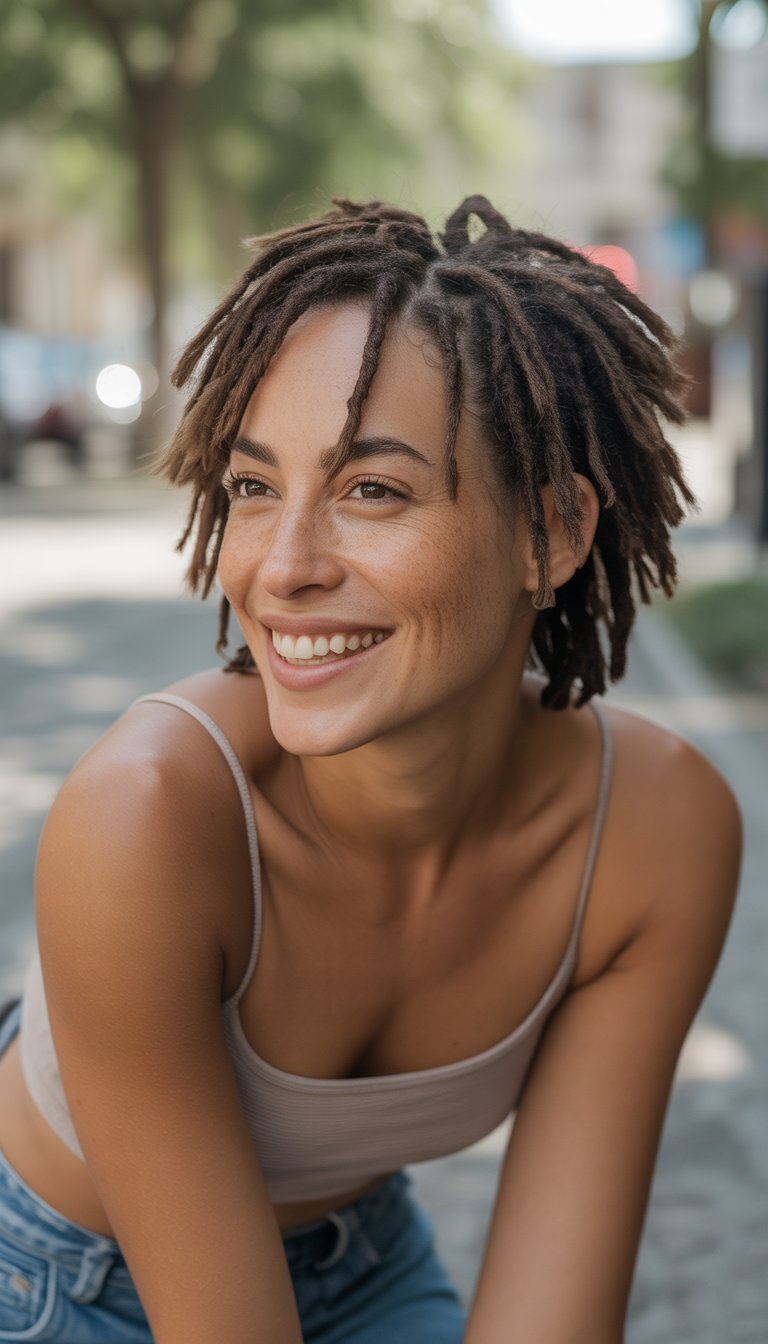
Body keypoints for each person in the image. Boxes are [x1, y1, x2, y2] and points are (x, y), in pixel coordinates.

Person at [0, 196, 741, 1344]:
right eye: (254, 489)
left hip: (365, 1263)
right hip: (46, 1280)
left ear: (552, 531)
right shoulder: (143, 820)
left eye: (371, 490)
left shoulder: (652, 832)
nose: (283, 568)